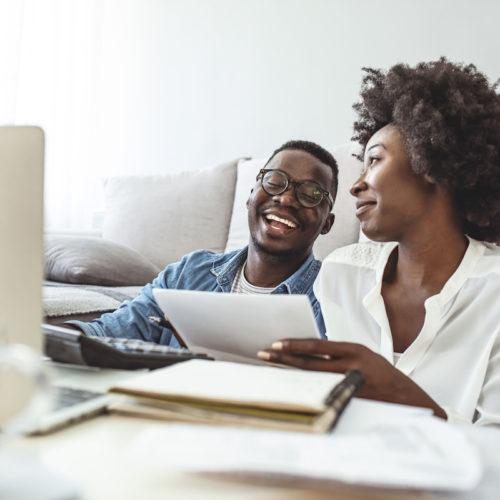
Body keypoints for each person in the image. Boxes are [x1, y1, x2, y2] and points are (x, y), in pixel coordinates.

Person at [258, 59, 500, 426]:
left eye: (374, 160)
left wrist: (403, 395)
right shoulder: (342, 274)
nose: (356, 186)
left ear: (430, 161)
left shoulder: (494, 293)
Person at [68, 140, 337, 345]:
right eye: (275, 181)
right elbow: (108, 333)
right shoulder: (189, 273)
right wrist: (40, 337)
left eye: (311, 193)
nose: (287, 198)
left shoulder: (334, 295)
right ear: (251, 194)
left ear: (327, 223)